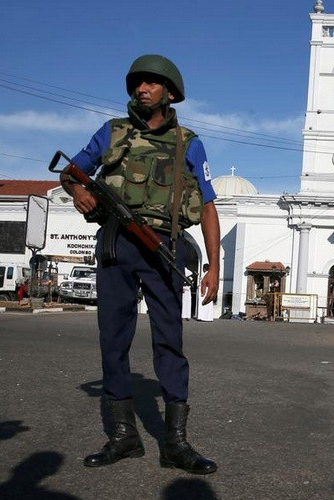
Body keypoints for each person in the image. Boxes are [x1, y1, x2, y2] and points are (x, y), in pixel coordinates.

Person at [62, 54, 220, 474]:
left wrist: (215, 267)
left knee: (170, 341)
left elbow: (206, 206)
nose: (141, 89)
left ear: (170, 93)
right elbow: (73, 172)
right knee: (113, 338)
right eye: (137, 84)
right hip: (117, 242)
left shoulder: (190, 142)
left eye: (151, 84)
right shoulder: (113, 133)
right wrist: (78, 192)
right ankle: (123, 437)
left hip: (164, 246)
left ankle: (176, 442)